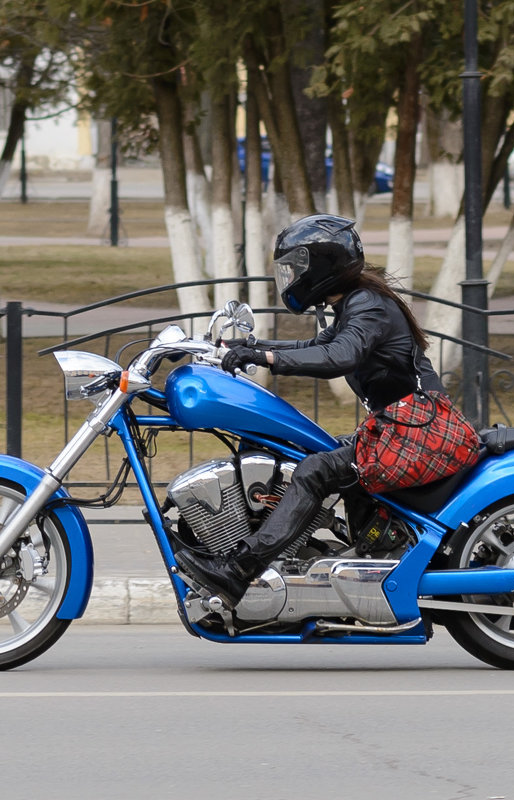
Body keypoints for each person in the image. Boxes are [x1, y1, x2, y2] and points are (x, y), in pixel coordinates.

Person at [175, 214, 446, 608]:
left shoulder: (368, 305)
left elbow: (339, 355)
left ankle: (238, 571)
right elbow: (312, 346)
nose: (291, 277)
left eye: (297, 267)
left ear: (322, 263)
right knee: (311, 456)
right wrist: (238, 348)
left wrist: (263, 356)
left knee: (315, 470)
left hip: (415, 431)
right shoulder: (358, 304)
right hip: (401, 427)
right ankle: (367, 550)